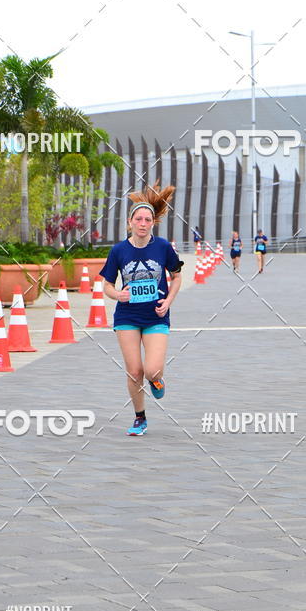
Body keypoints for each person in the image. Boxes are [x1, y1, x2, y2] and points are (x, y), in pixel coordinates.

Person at [100, 183, 183, 437]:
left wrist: (168, 301)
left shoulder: (163, 247)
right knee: (135, 371)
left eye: (147, 219)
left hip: (156, 316)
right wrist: (118, 294)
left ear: (153, 223)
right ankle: (140, 417)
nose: (143, 223)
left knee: (152, 370)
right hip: (127, 316)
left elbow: (177, 276)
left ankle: (157, 380)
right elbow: (106, 284)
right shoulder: (118, 250)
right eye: (138, 219)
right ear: (130, 222)